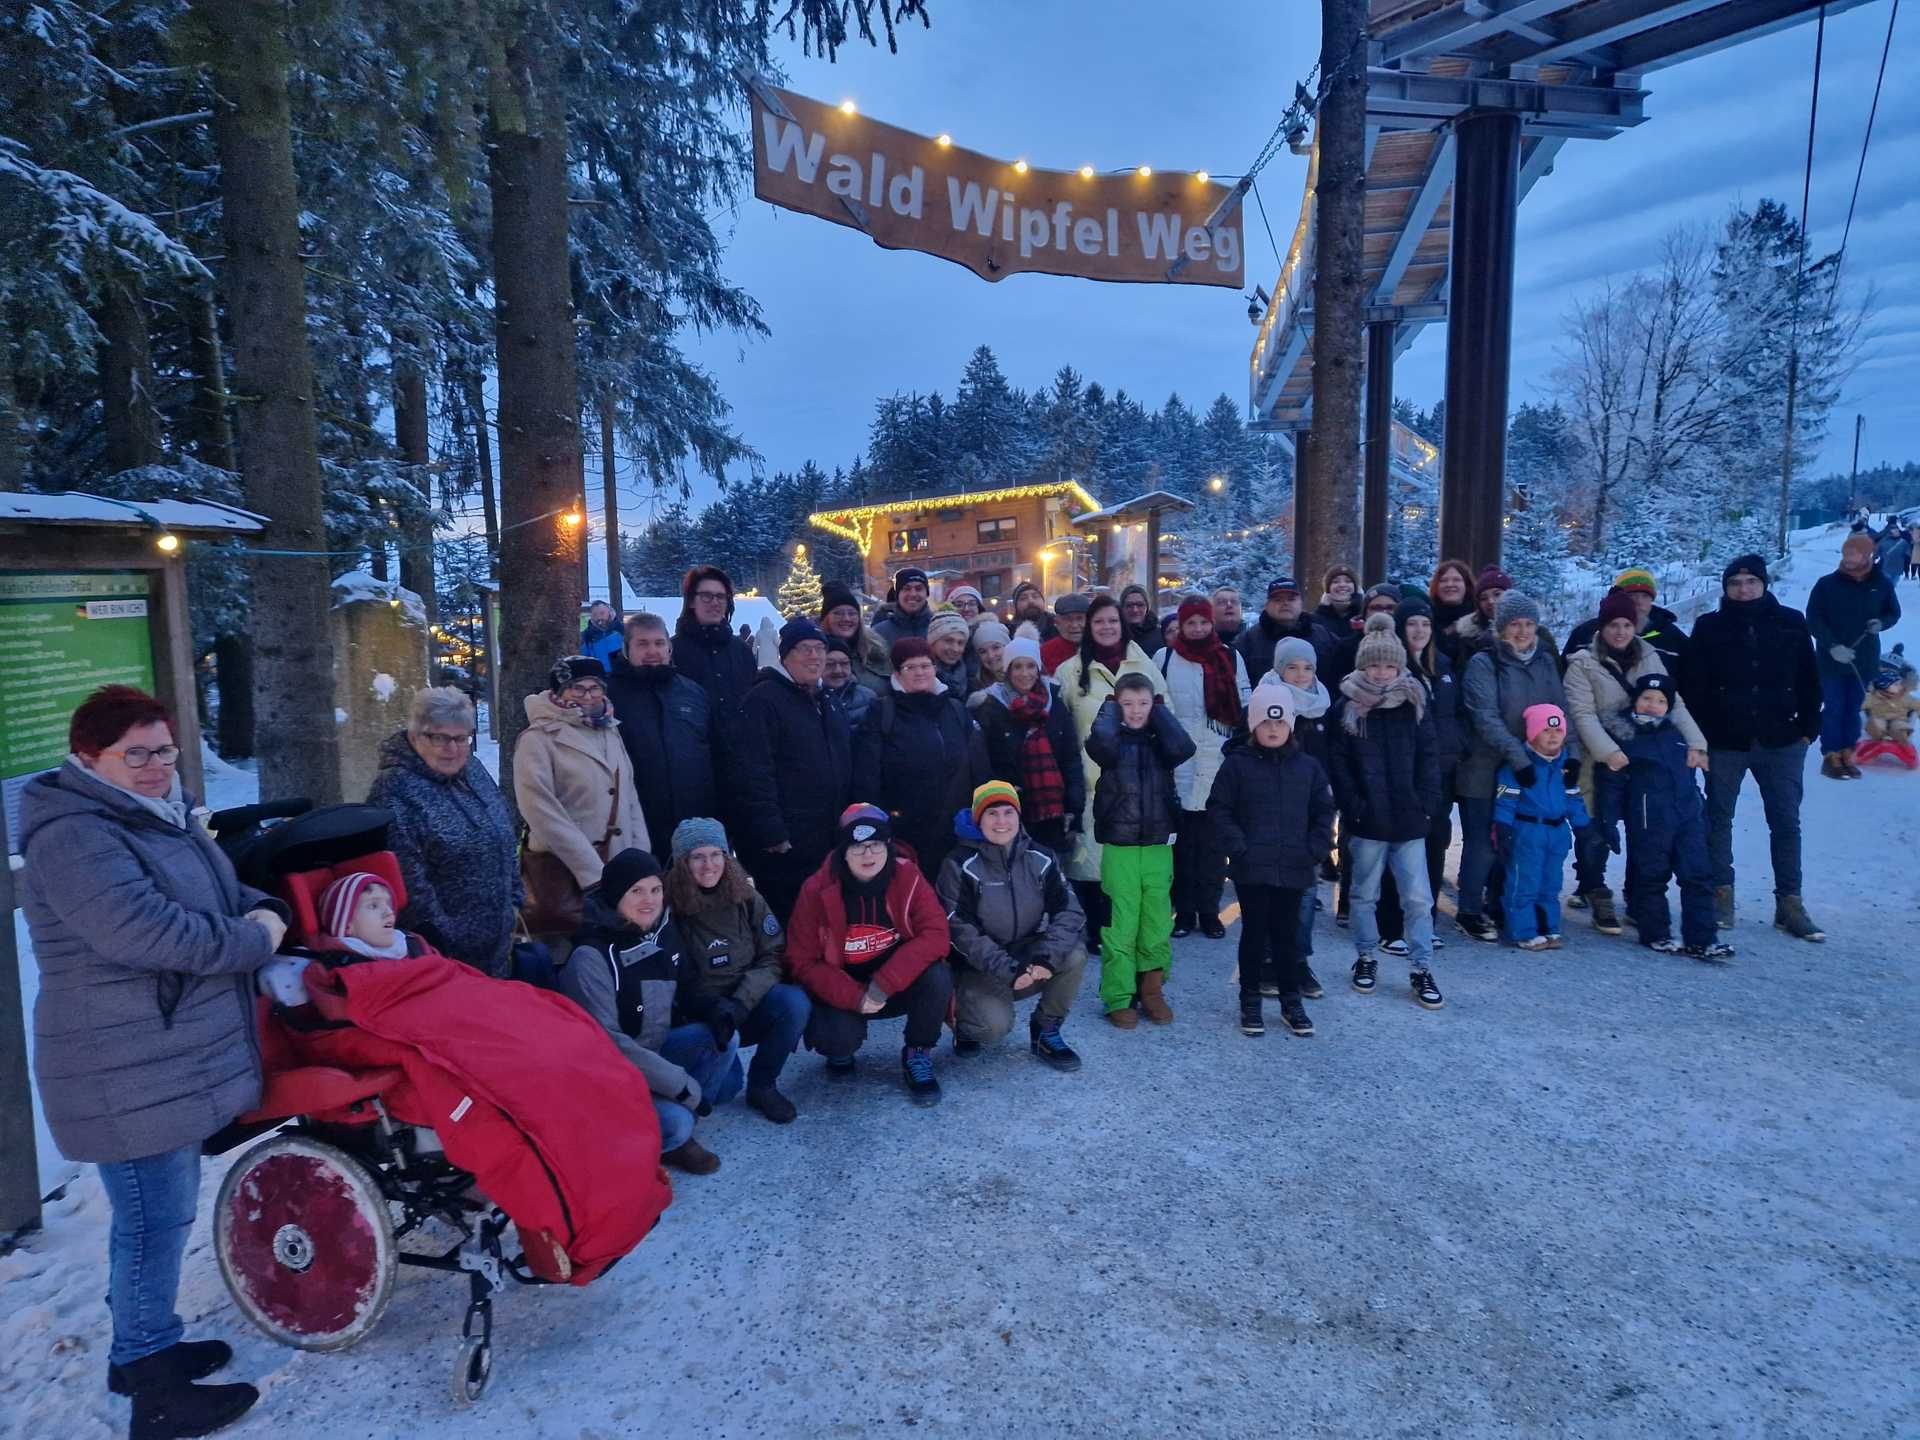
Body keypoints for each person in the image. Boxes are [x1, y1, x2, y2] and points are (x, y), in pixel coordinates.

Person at [19, 685, 290, 1438]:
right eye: (132, 754)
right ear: (87, 758)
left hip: (156, 1054)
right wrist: (257, 939)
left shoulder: (154, 814)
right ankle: (156, 1391)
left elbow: (220, 889)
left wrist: (266, 906)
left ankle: (139, 1350)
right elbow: (150, 932)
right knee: (151, 1221)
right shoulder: (74, 835)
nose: (153, 767)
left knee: (155, 1215)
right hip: (120, 1062)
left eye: (163, 750)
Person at [1678, 555, 1824, 940]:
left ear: (1763, 584)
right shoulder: (1710, 627)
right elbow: (1694, 685)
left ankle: (1789, 902)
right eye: (1736, 583)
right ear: (1726, 587)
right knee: (1718, 818)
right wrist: (1700, 736)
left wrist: (1809, 728)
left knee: (1785, 822)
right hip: (1726, 741)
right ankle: (1720, 894)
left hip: (1782, 740)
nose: (1743, 589)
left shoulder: (1790, 622)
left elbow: (1810, 677)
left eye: (1750, 582)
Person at [561, 848, 730, 1175]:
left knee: (724, 1042)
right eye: (636, 891)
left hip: (652, 1050)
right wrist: (683, 1086)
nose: (649, 900)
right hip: (611, 1078)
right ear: (614, 896)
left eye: (655, 889)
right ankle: (658, 1138)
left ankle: (670, 1114)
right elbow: (609, 1046)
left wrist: (715, 1010)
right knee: (677, 1123)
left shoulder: (661, 929)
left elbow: (688, 982)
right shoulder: (591, 958)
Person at [787, 804, 953, 1105]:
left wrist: (884, 983)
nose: (868, 854)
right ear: (843, 851)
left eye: (875, 844)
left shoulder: (908, 876)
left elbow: (937, 935)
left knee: (938, 976)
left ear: (888, 846)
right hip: (843, 987)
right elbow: (802, 960)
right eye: (858, 846)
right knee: (835, 1039)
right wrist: (854, 997)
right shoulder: (815, 889)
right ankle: (841, 1049)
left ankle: (918, 1051)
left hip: (893, 983)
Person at [1563, 591, 1708, 934]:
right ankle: (1594, 887)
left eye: (1627, 624)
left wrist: (1697, 743)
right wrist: (1608, 752)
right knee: (1597, 823)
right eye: (1614, 624)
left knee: (1644, 826)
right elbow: (1583, 715)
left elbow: (1674, 704)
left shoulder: (1648, 654)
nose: (1620, 631)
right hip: (1597, 754)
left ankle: (1638, 897)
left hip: (1645, 751)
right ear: (1603, 626)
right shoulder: (1582, 663)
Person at [1326, 615, 1443, 1008]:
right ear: (1362, 666)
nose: (1381, 672)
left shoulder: (1413, 701)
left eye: (1388, 664)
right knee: (1363, 894)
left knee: (1417, 898)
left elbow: (1429, 757)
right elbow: (1339, 764)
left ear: (1399, 666)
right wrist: (1354, 807)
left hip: (1409, 818)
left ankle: (1421, 966)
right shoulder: (1348, 705)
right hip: (1367, 820)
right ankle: (1365, 956)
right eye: (1374, 664)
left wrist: (1427, 803)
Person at [1208, 680, 1335, 1038]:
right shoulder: (1237, 765)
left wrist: (1315, 848)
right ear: (1254, 725)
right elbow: (1219, 808)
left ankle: (1291, 999)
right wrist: (1239, 847)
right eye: (1266, 722)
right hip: (1253, 868)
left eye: (1280, 722)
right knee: (1254, 934)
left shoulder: (1307, 767)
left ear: (1290, 724)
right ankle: (1250, 999)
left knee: (1287, 936)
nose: (1274, 729)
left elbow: (1324, 811)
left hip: (1294, 867)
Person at [664, 817, 810, 1124]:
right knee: (724, 1091)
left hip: (745, 1004)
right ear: (682, 862)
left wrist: (742, 1001)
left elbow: (773, 953)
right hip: (704, 1015)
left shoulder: (745, 895)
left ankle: (764, 1085)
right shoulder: (667, 906)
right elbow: (675, 976)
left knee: (794, 1003)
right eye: (698, 857)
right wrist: (713, 1008)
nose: (709, 865)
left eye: (716, 854)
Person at [366, 686, 520, 977]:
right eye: (439, 737)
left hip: (497, 949)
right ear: (414, 736)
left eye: (461, 738)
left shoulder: (472, 770)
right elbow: (410, 887)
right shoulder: (395, 790)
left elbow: (502, 832)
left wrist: (513, 899)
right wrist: (449, 939)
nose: (452, 748)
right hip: (446, 962)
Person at [937, 781, 1087, 1070]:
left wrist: (1046, 957)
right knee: (992, 1029)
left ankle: (1046, 1029)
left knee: (1074, 954)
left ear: (1019, 816)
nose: (1002, 821)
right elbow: (958, 929)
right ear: (979, 819)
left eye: (1008, 812)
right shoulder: (959, 864)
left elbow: (1070, 910)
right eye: (992, 814)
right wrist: (1007, 969)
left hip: (1025, 952)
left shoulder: (1040, 857)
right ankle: (964, 1022)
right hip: (978, 966)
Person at [1053, 594, 1169, 939]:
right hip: (1091, 782)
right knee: (1089, 863)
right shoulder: (1070, 672)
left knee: (1128, 862)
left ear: (1123, 625)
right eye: (1099, 621)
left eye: (1113, 621)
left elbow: (1166, 716)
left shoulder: (1144, 666)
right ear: (1089, 626)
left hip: (1138, 780)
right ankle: (1096, 928)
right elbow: (1062, 730)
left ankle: (1125, 925)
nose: (1106, 627)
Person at [1456, 591, 1569, 942]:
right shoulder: (1484, 662)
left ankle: (1503, 904)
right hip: (1486, 766)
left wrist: (1569, 752)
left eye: (1529, 624)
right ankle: (1469, 909)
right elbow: (1485, 717)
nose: (1522, 632)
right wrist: (1519, 757)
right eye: (1514, 624)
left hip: (1534, 767)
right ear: (1501, 627)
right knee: (1484, 843)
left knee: (1518, 840)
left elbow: (1559, 710)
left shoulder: (1545, 661)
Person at [1084, 672, 1196, 1027]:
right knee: (1121, 922)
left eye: (1143, 704)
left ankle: (1152, 988)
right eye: (1128, 704)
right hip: (1121, 846)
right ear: (1117, 705)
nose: (1136, 712)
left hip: (1159, 844)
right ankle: (1118, 995)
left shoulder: (1160, 740)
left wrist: (1159, 713)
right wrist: (1109, 711)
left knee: (1156, 920)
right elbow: (1098, 745)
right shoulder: (1112, 739)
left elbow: (1184, 748)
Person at [732, 618, 853, 923]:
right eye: (805, 649)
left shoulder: (827, 700)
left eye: (820, 648)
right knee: (794, 913)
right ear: (785, 655)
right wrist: (771, 829)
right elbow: (753, 770)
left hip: (827, 831)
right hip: (788, 837)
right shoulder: (764, 699)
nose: (815, 656)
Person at [514, 655, 649, 925]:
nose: (588, 696)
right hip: (567, 874)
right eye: (578, 688)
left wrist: (640, 859)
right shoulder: (537, 739)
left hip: (619, 868)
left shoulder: (610, 730)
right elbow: (541, 812)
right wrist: (593, 873)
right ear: (559, 691)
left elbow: (628, 797)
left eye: (595, 687)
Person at [1613, 676, 1731, 961]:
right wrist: (1608, 820)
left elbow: (1691, 774)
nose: (1653, 706)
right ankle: (1656, 933)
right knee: (1652, 877)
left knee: (1698, 875)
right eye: (1647, 699)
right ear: (1635, 701)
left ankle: (1702, 938)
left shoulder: (1678, 734)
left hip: (1687, 816)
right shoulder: (1624, 735)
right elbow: (1611, 782)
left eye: (1661, 701)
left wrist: (1699, 810)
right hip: (1649, 818)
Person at [852, 636, 989, 879]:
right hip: (905, 830)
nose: (919, 673)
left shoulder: (955, 709)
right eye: (910, 667)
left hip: (956, 827)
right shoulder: (882, 712)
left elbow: (978, 764)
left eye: (925, 665)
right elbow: (867, 774)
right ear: (898, 672)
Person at [1157, 597, 1250, 939]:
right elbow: (1158, 708)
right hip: (1179, 764)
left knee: (1213, 848)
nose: (1197, 629)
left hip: (1216, 763)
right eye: (1190, 623)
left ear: (1211, 624)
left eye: (1203, 622)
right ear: (1180, 625)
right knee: (1181, 847)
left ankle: (1209, 910)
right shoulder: (1165, 657)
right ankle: (1184, 911)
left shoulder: (1230, 656)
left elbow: (1245, 703)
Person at [605, 612, 717, 864]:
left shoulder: (693, 693)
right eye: (642, 644)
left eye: (658, 643)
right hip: (636, 824)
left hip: (693, 822)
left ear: (669, 647)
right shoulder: (610, 696)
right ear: (626, 649)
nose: (652, 651)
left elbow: (715, 754)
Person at [969, 636, 1085, 856]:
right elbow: (983, 764)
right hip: (1012, 811)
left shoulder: (1055, 703)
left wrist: (1074, 806)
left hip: (1055, 813)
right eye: (1018, 666)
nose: (1025, 673)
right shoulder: (990, 707)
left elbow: (1070, 759)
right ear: (1008, 670)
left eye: (1031, 666)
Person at [1492, 705, 1588, 951]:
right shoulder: (1519, 765)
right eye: (1546, 730)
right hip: (1528, 831)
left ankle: (1548, 927)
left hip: (1557, 832)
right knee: (1524, 882)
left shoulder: (1566, 764)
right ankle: (1523, 931)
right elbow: (1506, 801)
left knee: (1551, 882)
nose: (1553, 736)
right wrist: (1502, 828)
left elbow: (1573, 797)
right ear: (1532, 734)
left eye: (1558, 730)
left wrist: (1584, 829)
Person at [1806, 531, 1901, 779]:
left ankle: (1848, 751)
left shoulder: (1881, 584)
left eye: (1855, 553)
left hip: (1865, 658)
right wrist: (1832, 645)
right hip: (1831, 659)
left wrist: (1881, 623)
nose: (1849, 557)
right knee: (1834, 706)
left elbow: (1893, 612)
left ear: (1867, 555)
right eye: (1846, 552)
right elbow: (1814, 619)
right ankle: (1831, 755)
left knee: (1854, 707)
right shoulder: (1826, 584)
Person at [1395, 596, 1463, 931]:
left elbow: (1456, 718)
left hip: (1441, 772)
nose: (1419, 630)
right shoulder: (1391, 666)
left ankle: (1427, 919)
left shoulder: (1446, 667)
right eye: (1412, 623)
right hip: (1405, 772)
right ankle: (1396, 919)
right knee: (1405, 846)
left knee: (1436, 842)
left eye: (1425, 623)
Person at [672, 564, 758, 723]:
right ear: (691, 601)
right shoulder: (672, 651)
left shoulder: (742, 651)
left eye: (720, 596)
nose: (715, 602)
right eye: (706, 596)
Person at [1561, 568, 1689, 669]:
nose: (1639, 601)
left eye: (1645, 596)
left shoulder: (1672, 638)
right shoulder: (1586, 633)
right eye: (1632, 595)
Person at [1237, 575, 1338, 683]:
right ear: (1267, 606)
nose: (1285, 603)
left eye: (1291, 599)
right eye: (1278, 600)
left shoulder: (1324, 636)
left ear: (1301, 603)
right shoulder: (1248, 641)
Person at [1325, 582, 1407, 688]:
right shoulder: (1346, 647)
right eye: (1376, 608)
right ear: (1365, 612)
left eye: (1390, 608)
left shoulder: (1409, 643)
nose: (1383, 612)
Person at [819, 580, 891, 695]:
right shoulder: (816, 655)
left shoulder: (877, 649)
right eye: (838, 613)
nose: (846, 618)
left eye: (852, 613)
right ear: (825, 618)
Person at [1428, 558, 1478, 661]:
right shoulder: (1426, 619)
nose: (1450, 584)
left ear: (1467, 585)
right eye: (1443, 580)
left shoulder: (1479, 619)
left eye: (1457, 580)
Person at [821, 637, 875, 731]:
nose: (838, 670)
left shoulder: (867, 697)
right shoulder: (808, 698)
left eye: (844, 663)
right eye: (829, 664)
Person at [872, 566, 933, 649]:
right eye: (906, 589)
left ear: (927, 593)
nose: (913, 594)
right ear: (897, 595)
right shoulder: (879, 633)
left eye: (919, 589)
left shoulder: (940, 628)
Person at [927, 610, 973, 695]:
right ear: (932, 642)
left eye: (960, 643)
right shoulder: (921, 678)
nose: (955, 649)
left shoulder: (969, 677)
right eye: (948, 641)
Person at [1041, 593, 1089, 674]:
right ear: (1057, 622)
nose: (1074, 625)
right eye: (1068, 619)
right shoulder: (1044, 652)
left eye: (1080, 618)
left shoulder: (1100, 648)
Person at [1314, 564, 1362, 638]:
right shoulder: (1315, 620)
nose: (1342, 585)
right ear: (1328, 589)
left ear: (1356, 588)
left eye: (1348, 581)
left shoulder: (1364, 615)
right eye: (1336, 582)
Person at [1119, 583, 1163, 656]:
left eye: (1140, 605)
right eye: (1129, 605)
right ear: (1122, 607)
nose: (1135, 610)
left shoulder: (1160, 636)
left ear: (1147, 607)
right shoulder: (1115, 635)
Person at [970, 617, 1010, 692]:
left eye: (996, 647)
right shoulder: (975, 688)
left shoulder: (1025, 677)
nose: (990, 656)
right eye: (983, 652)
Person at [580, 599, 623, 667]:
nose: (599, 617)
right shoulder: (587, 635)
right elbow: (584, 658)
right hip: (599, 675)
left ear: (609, 612)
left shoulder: (622, 630)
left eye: (602, 613)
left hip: (621, 674)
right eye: (595, 615)